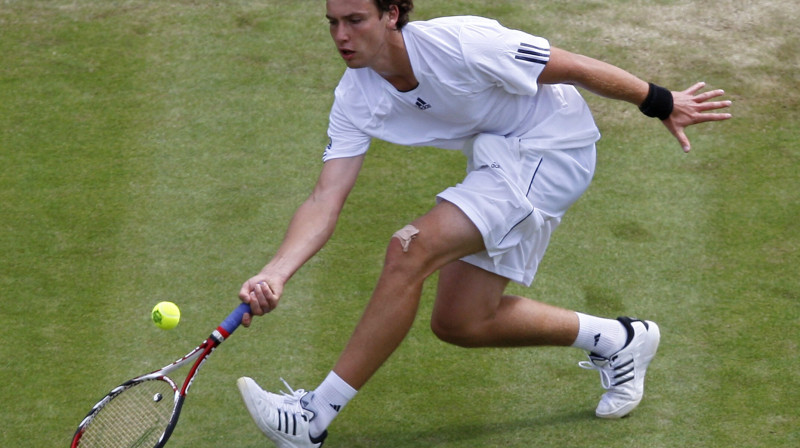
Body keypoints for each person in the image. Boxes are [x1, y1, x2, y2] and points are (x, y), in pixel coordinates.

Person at [235, 1, 732, 446]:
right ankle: (621, 341)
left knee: (409, 248)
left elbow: (573, 66)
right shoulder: (355, 96)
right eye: (333, 23)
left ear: (392, 15)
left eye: (355, 20)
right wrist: (276, 272)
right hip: (497, 156)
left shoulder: (461, 43)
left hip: (552, 147)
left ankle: (312, 418)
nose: (341, 35)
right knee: (462, 321)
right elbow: (325, 198)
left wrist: (662, 102)